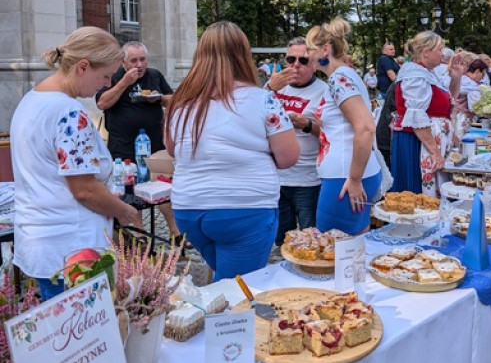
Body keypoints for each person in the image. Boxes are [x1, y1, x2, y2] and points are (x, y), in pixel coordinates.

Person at [10, 27, 138, 301]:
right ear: (83, 67)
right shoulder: (69, 111)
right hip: (72, 249)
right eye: (104, 76)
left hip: (44, 240)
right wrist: (123, 211)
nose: (104, 84)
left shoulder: (32, 100)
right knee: (79, 335)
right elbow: (84, 190)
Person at [165, 22, 299, 280]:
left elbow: (173, 149)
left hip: (189, 208)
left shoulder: (180, 102)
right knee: (236, 290)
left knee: (225, 281)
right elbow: (288, 157)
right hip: (244, 208)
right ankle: (221, 319)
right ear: (242, 55)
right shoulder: (263, 99)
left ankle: (213, 315)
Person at [305, 18, 382, 234]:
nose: (307, 55)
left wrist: (355, 179)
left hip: (345, 178)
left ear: (325, 50)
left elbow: (366, 127)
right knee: (355, 245)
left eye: (310, 50)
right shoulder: (344, 77)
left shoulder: (339, 79)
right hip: (347, 174)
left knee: (333, 251)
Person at [96, 41, 178, 236]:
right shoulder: (114, 77)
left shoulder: (154, 75)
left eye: (142, 60)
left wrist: (158, 99)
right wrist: (125, 82)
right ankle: (140, 238)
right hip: (123, 149)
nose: (139, 65)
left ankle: (177, 234)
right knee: (131, 194)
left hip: (154, 147)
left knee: (164, 191)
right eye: (134, 60)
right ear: (123, 63)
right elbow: (102, 103)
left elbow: (174, 100)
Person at [265, 38, 326, 246]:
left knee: (310, 240)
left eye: (303, 60)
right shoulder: (274, 88)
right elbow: (248, 118)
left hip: (308, 180)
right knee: (281, 240)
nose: (296, 65)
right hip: (276, 178)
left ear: (315, 64)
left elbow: (334, 134)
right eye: (291, 59)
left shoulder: (324, 91)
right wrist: (269, 88)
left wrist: (307, 124)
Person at [391, 31, 466, 196]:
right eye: (440, 49)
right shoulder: (414, 75)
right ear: (426, 51)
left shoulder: (426, 72)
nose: (443, 54)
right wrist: (434, 152)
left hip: (426, 141)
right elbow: (416, 116)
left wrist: (457, 77)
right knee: (416, 195)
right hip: (417, 143)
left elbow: (447, 101)